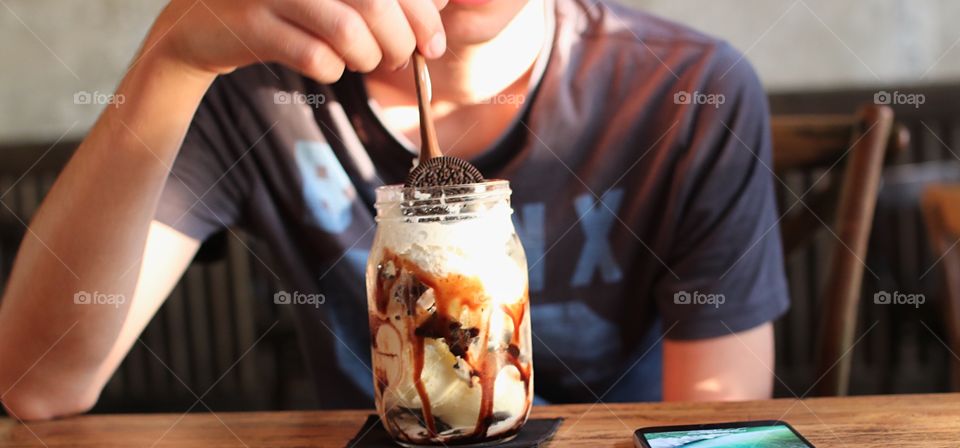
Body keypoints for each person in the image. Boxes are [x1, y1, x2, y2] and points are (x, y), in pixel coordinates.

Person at [0, 0, 788, 421]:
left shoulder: (687, 94)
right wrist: (171, 56)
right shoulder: (254, 91)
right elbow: (38, 384)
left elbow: (715, 431)